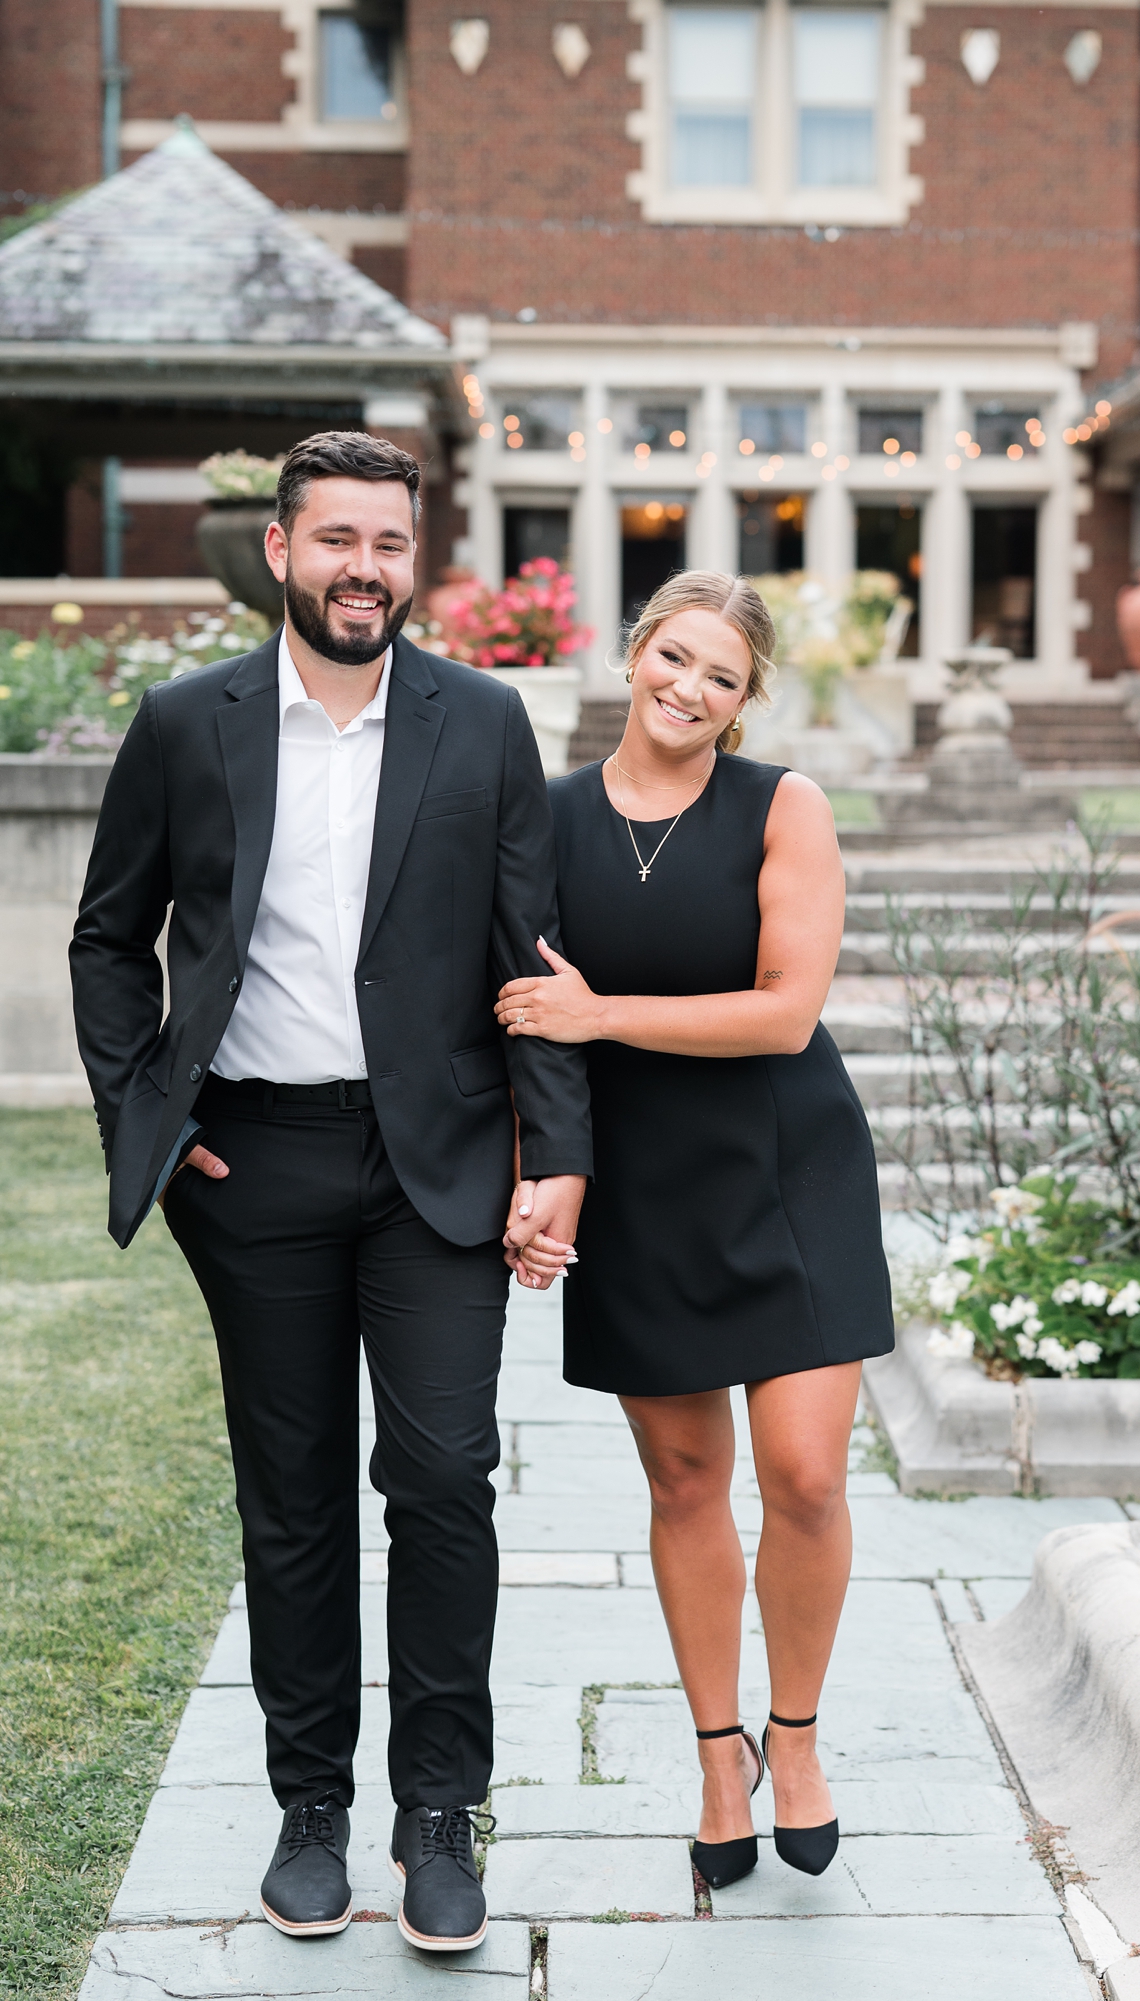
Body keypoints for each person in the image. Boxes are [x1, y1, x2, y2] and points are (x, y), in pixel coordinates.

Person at [69, 431, 591, 1952]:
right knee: (290, 1504)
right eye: (338, 538)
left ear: (412, 559)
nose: (366, 565)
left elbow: (532, 958)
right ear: (283, 550)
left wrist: (553, 1154)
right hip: (255, 1163)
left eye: (390, 540)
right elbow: (111, 938)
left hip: (435, 1165)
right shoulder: (186, 724)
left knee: (441, 1483)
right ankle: (313, 1808)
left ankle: (438, 1816)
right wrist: (150, 1129)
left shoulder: (485, 722)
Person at [495, 570, 893, 1890]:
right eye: (675, 657)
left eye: (722, 676)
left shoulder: (784, 806)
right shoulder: (540, 819)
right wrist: (549, 1171)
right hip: (640, 1179)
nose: (690, 689)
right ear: (633, 653)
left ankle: (799, 1731)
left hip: (787, 1163)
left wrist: (602, 1013)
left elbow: (785, 1011)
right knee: (681, 1482)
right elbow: (511, 1020)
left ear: (746, 696)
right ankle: (720, 1753)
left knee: (808, 1475)